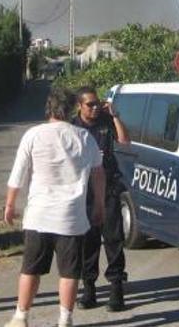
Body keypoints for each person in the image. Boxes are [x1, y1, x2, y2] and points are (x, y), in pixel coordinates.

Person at [3, 88, 105, 327]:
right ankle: (65, 320)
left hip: (39, 214)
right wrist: (99, 204)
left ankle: (21, 316)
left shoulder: (33, 135)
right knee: (69, 273)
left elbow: (18, 173)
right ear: (72, 108)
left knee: (30, 269)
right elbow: (98, 174)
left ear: (48, 107)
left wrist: (10, 204)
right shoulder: (84, 137)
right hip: (71, 217)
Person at [72, 86, 131, 311]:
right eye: (90, 105)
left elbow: (125, 140)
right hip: (84, 191)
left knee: (114, 239)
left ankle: (116, 289)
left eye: (97, 103)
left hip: (108, 188)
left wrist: (115, 115)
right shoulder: (72, 126)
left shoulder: (107, 120)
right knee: (89, 241)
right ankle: (89, 290)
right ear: (80, 106)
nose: (95, 108)